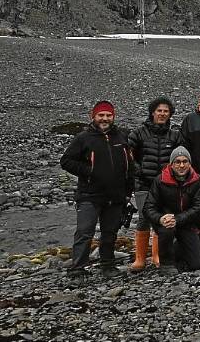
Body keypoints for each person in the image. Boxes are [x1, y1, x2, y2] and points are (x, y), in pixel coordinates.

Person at [60, 101, 135, 281]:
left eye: (108, 115)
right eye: (101, 115)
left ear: (113, 116)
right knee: (85, 231)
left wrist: (128, 191)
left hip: (116, 195)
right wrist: (89, 171)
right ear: (93, 116)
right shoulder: (83, 138)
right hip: (90, 195)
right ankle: (78, 268)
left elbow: (130, 165)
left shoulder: (121, 136)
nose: (105, 119)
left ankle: (108, 265)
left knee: (110, 232)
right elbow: (66, 161)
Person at [127, 96, 182, 272]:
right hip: (143, 183)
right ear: (152, 112)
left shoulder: (174, 135)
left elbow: (181, 157)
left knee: (162, 217)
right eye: (159, 111)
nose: (162, 114)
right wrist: (138, 170)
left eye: (166, 111)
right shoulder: (139, 133)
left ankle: (157, 256)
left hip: (165, 185)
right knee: (144, 218)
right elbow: (127, 155)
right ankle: (140, 259)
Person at [142, 146, 200, 274]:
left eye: (185, 161)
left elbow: (199, 207)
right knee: (167, 229)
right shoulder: (160, 180)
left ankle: (177, 255)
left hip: (186, 222)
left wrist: (178, 219)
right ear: (171, 164)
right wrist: (160, 218)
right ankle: (166, 263)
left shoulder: (198, 180)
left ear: (189, 163)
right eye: (177, 162)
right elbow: (148, 207)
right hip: (165, 222)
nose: (181, 165)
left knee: (198, 263)